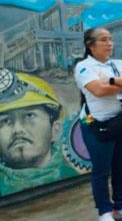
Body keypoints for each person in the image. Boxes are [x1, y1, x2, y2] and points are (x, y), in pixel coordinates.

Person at [74, 28, 122, 221]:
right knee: (101, 169)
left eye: (110, 39)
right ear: (90, 45)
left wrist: (112, 80)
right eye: (103, 40)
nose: (109, 43)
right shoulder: (84, 67)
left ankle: (121, 206)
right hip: (98, 124)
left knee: (121, 167)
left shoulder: (118, 64)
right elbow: (98, 90)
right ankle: (105, 211)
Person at [0, 69, 79, 197]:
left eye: (29, 116)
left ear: (55, 129)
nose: (17, 129)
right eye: (5, 121)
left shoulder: (74, 181)